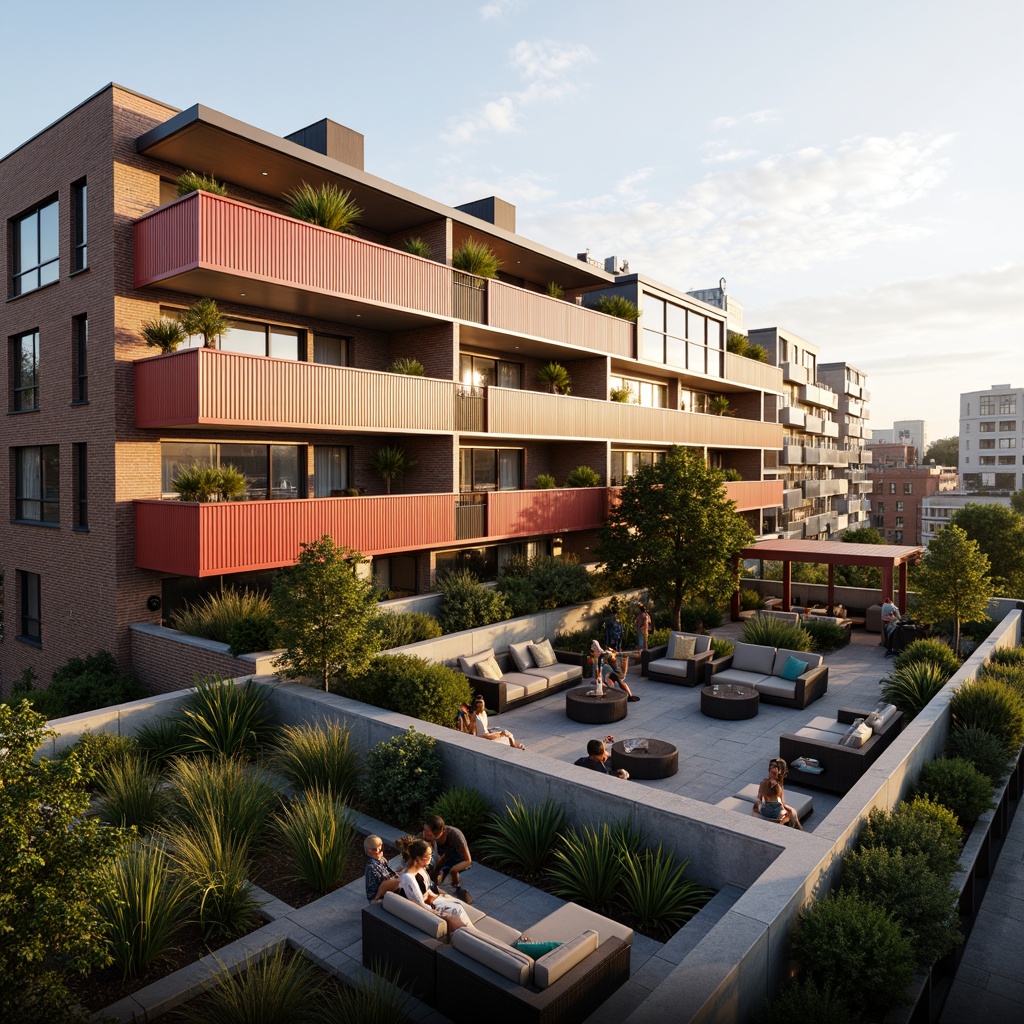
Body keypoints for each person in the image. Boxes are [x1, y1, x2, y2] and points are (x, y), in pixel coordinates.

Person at [395, 836, 475, 932]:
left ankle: (472, 933)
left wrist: (443, 897)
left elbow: (428, 889)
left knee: (457, 906)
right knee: (455, 911)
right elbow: (420, 905)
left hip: (432, 903)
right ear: (419, 859)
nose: (431, 858)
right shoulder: (408, 878)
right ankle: (468, 935)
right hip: (425, 913)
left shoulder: (420, 869)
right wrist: (443, 915)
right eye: (429, 855)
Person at [423, 814, 473, 899]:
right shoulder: (433, 837)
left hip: (459, 857)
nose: (425, 835)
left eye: (429, 835)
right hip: (446, 854)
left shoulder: (456, 837)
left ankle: (459, 890)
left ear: (441, 832)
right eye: (424, 831)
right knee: (435, 871)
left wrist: (454, 870)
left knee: (451, 872)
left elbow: (468, 860)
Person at [754, 758, 802, 829]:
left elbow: (781, 802)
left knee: (792, 812)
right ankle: (795, 829)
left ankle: (795, 828)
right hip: (768, 805)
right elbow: (760, 799)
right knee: (791, 812)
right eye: (772, 766)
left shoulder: (777, 784)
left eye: (775, 766)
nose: (772, 768)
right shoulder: (765, 783)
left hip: (773, 805)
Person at [364, 834, 401, 902]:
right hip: (380, 898)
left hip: (388, 892)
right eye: (379, 848)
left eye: (382, 846)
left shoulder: (381, 860)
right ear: (372, 851)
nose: (381, 850)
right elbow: (382, 885)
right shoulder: (372, 867)